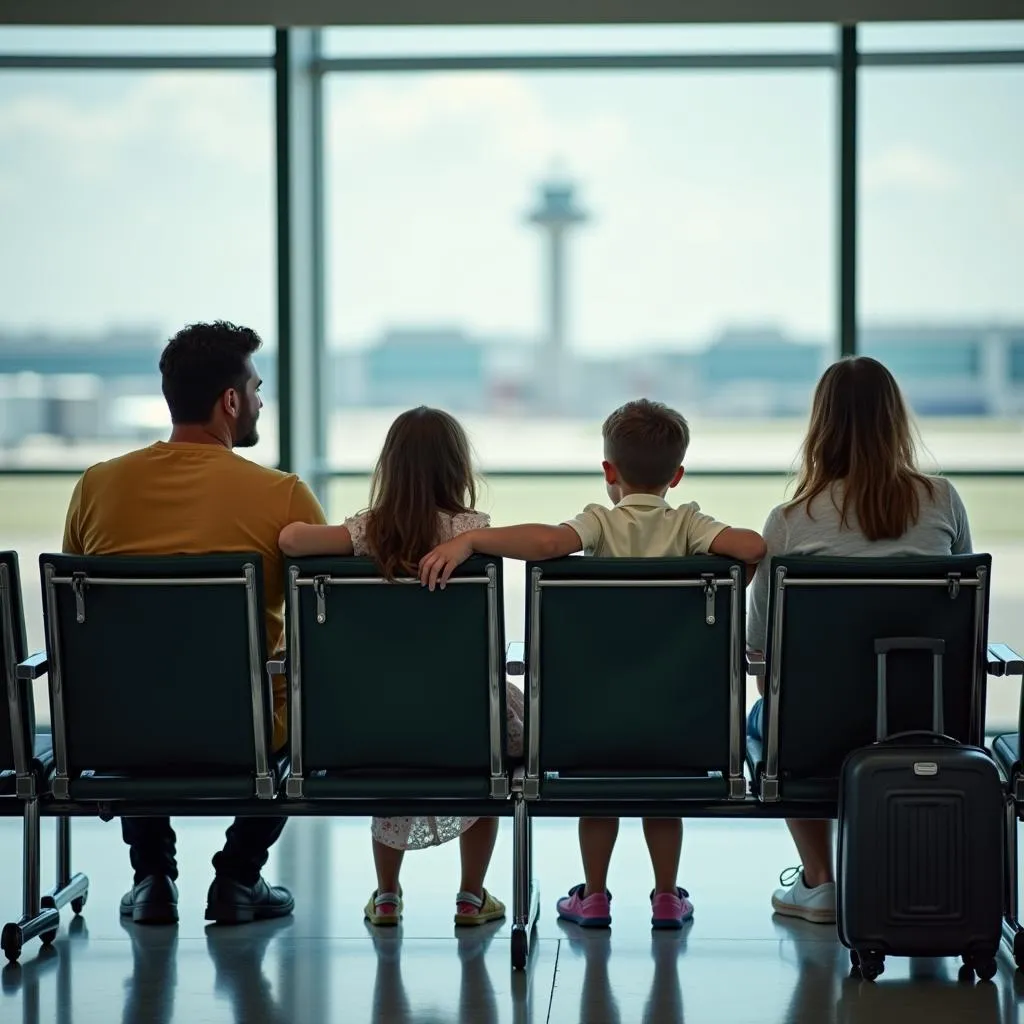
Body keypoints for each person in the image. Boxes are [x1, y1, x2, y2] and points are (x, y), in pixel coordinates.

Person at [419, 399, 767, 929]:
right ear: (677, 475)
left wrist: (472, 539)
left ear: (609, 471)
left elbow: (543, 543)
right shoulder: (690, 524)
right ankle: (668, 897)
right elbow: (753, 546)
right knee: (663, 791)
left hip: (596, 717)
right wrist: (718, 569)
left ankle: (595, 896)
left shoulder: (599, 523)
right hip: (677, 717)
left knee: (599, 791)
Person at [62, 320, 327, 926]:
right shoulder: (282, 494)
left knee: (135, 676)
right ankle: (237, 876)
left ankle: (152, 877)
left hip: (121, 730)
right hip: (247, 730)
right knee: (305, 693)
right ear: (230, 402)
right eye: (257, 388)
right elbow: (323, 618)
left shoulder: (96, 487)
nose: (261, 401)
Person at [746, 356, 973, 925]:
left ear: (820, 427)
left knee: (765, 715)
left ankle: (820, 882)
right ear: (896, 422)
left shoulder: (791, 519)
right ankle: (922, 869)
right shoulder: (942, 501)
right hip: (930, 719)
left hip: (815, 731)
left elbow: (758, 643)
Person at [278, 406, 524, 928]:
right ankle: (471, 896)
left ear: (389, 468)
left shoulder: (370, 531)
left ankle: (387, 895)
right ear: (457, 467)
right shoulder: (471, 530)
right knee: (490, 762)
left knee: (395, 754)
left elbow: (292, 541)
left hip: (378, 714)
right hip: (464, 714)